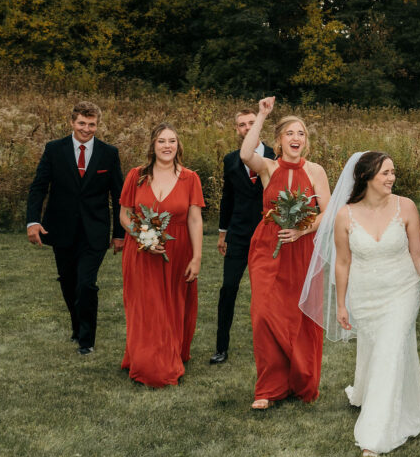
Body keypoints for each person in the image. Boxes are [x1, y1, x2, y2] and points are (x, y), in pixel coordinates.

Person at [314, 152, 420, 457]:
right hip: (365, 295)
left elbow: (418, 254)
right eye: (385, 173)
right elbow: (342, 262)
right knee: (378, 349)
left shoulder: (406, 207)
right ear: (366, 177)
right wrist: (341, 304)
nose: (392, 178)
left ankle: (375, 435)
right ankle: (374, 393)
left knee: (390, 348)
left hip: (402, 290)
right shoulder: (344, 215)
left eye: (393, 172)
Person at [242, 97, 331, 410]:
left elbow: (327, 213)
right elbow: (244, 153)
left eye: (301, 134)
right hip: (269, 247)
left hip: (303, 250)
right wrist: (262, 116)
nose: (296, 138)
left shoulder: (316, 171)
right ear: (279, 140)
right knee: (263, 314)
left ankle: (298, 381)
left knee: (299, 316)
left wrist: (304, 230)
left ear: (305, 142)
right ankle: (268, 388)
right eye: (290, 133)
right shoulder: (268, 166)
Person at [26, 101, 124, 355]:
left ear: (97, 125)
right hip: (61, 229)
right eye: (82, 123)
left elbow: (119, 195)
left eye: (92, 124)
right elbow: (39, 187)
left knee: (86, 284)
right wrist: (33, 221)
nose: (86, 129)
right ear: (72, 122)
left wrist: (119, 234)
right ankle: (76, 324)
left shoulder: (109, 153)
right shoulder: (54, 150)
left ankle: (86, 341)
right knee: (68, 282)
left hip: (95, 231)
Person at [118, 123, 205, 386]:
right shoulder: (137, 176)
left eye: (172, 141)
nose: (167, 146)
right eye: (161, 141)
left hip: (178, 251)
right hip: (141, 253)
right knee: (147, 307)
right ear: (152, 145)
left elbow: (195, 220)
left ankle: (168, 353)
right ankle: (148, 360)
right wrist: (144, 237)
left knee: (172, 306)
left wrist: (197, 257)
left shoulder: (190, 178)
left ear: (178, 145)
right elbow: (124, 215)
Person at [211, 109, 274, 365]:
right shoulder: (230, 160)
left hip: (268, 233)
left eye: (251, 123)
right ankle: (221, 347)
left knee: (267, 292)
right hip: (237, 233)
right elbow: (228, 198)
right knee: (229, 287)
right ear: (236, 130)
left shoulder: (275, 156)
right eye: (242, 125)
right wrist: (222, 232)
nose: (247, 128)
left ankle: (272, 346)